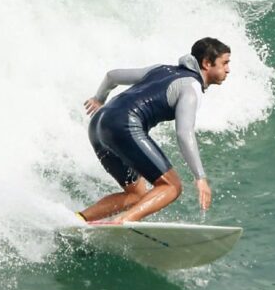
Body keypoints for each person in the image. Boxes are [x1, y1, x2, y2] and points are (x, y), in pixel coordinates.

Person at [78, 37, 231, 224]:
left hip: (98, 124)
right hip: (124, 124)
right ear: (207, 63)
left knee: (136, 195)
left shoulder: (160, 69)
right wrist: (200, 177)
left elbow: (112, 76)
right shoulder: (192, 88)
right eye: (224, 63)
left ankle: (80, 219)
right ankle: (122, 221)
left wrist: (99, 98)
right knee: (171, 186)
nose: (228, 69)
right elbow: (184, 133)